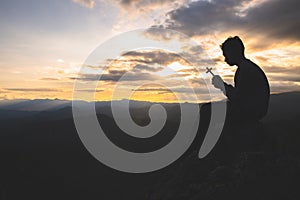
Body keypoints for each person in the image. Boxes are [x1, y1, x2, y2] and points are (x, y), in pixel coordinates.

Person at [212, 36, 270, 123]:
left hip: (250, 112)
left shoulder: (244, 70)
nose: (225, 59)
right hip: (257, 110)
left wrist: (222, 85)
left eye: (226, 55)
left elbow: (237, 98)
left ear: (232, 53)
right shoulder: (249, 67)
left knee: (207, 111)